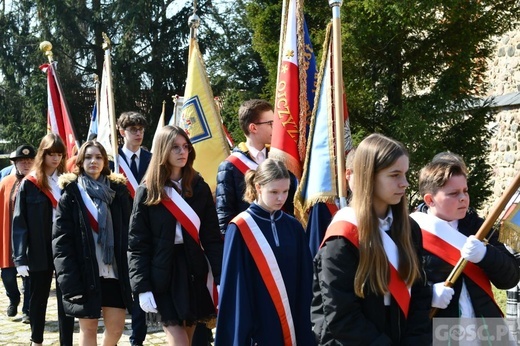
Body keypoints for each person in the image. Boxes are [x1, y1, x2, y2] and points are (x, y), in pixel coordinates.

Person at [311, 133, 431, 344]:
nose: (405, 183)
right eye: (395, 175)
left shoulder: (409, 229)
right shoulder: (342, 237)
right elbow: (340, 315)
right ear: (368, 176)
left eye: (405, 174)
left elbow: (420, 295)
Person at [127, 125, 223, 346]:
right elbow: (137, 244)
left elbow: (211, 237)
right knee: (178, 340)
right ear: (162, 151)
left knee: (188, 339)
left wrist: (219, 277)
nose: (182, 152)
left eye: (185, 147)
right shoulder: (147, 191)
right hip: (163, 272)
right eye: (175, 148)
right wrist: (141, 288)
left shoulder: (199, 187)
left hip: (193, 269)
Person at [214, 158, 315, 345]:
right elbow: (235, 288)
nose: (281, 198)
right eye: (274, 192)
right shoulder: (240, 227)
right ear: (259, 187)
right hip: (257, 321)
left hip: (293, 317)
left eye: (285, 191)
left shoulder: (293, 226)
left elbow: (305, 278)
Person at [410, 157, 520, 321]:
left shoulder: (478, 227)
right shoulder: (410, 231)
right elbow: (399, 288)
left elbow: (510, 279)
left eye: (465, 191)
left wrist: (486, 255)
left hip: (487, 324)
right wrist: (429, 294)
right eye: (453, 193)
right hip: (442, 328)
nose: (463, 198)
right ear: (430, 200)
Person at [52, 140, 133, 346]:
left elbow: (131, 232)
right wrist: (69, 280)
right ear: (80, 161)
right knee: (88, 329)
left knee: (115, 329)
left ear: (105, 161)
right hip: (85, 271)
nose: (93, 161)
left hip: (114, 272)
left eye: (98, 157)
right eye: (88, 157)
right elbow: (61, 242)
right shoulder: (71, 194)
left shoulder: (119, 192)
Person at [11, 135, 75, 346]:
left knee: (67, 298)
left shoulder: (68, 181)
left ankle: (67, 341)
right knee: (38, 297)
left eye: (59, 154)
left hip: (65, 247)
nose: (55, 158)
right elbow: (20, 223)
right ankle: (36, 339)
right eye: (51, 154)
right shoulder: (30, 183)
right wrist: (20, 258)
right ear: (43, 154)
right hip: (40, 248)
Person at [216, 99, 297, 235]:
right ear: (253, 128)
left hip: (282, 235)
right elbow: (225, 215)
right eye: (271, 124)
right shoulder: (230, 166)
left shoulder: (280, 158)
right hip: (251, 240)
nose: (276, 128)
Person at [116, 111, 152, 346]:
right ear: (121, 132)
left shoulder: (152, 159)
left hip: (146, 232)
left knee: (140, 283)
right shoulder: (111, 160)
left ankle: (137, 338)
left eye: (140, 129)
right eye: (132, 130)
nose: (138, 133)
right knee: (122, 286)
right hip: (119, 231)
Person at [0, 145, 35, 321]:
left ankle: (28, 310)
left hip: (30, 236)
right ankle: (13, 299)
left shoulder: (38, 182)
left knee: (29, 274)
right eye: (22, 161)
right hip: (8, 236)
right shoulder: (5, 183)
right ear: (15, 163)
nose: (26, 164)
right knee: (7, 275)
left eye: (30, 161)